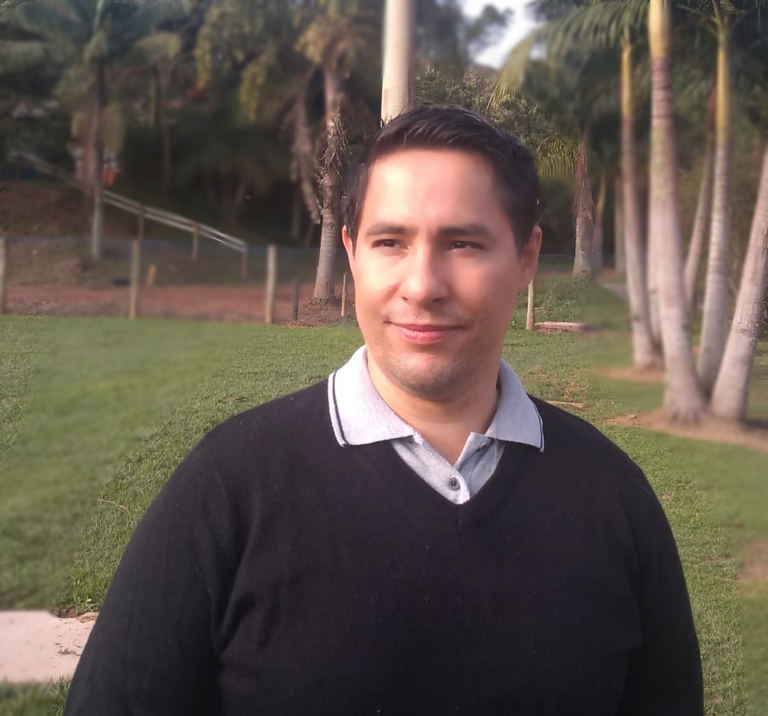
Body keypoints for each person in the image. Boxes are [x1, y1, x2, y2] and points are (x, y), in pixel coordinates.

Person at [64, 105, 703, 716]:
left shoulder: (612, 497)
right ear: (351, 251)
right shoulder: (228, 487)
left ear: (527, 258)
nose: (422, 285)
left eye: (463, 243)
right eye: (391, 241)